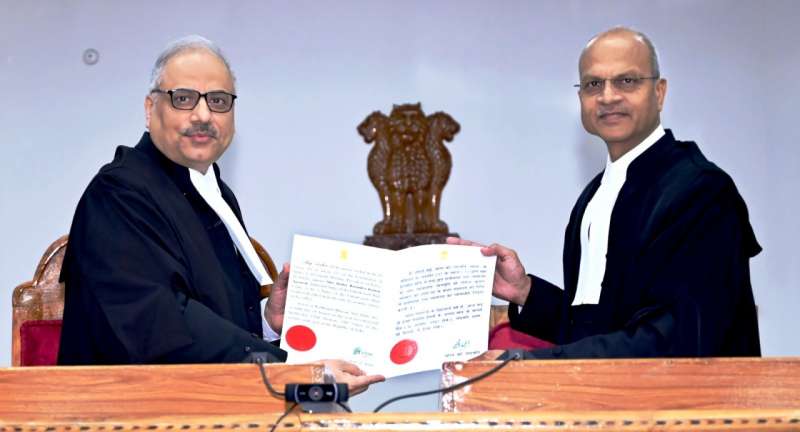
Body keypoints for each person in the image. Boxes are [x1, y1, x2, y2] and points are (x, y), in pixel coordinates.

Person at [58, 35, 384, 390]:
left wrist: (267, 322)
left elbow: (216, 318)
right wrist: (292, 371)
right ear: (150, 109)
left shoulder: (216, 193)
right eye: (184, 99)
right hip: (127, 408)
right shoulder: (118, 193)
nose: (203, 115)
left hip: (210, 403)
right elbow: (161, 324)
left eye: (218, 101)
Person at [450, 27, 761, 359]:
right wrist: (525, 290)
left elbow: (674, 342)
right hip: (609, 393)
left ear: (659, 92)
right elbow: (598, 329)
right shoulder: (593, 197)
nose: (608, 96)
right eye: (593, 84)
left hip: (693, 394)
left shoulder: (702, 192)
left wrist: (525, 362)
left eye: (627, 81)